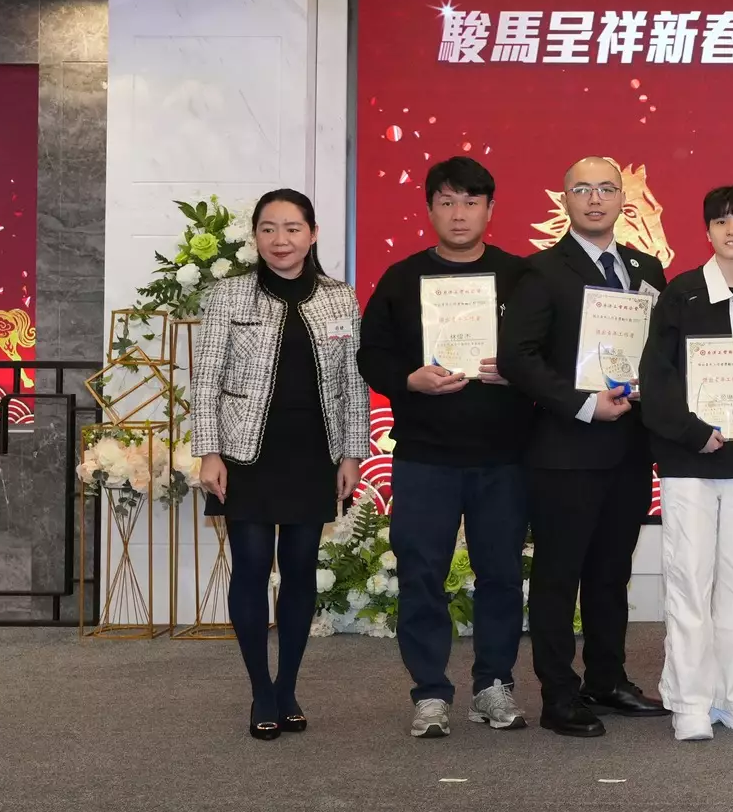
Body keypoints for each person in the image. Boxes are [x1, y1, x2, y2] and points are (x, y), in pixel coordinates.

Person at [357, 157, 535, 738]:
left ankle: (492, 684)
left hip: (503, 457)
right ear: (430, 209)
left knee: (501, 575)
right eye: (447, 202)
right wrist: (409, 379)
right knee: (421, 575)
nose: (459, 214)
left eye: (471, 202)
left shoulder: (520, 277)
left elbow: (547, 352)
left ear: (490, 209)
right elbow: (371, 354)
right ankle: (430, 691)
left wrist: (517, 371)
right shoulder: (402, 278)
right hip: (425, 457)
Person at [497, 157, 670, 738]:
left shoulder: (647, 268)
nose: (595, 199)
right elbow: (519, 357)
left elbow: (657, 352)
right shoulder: (541, 270)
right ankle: (558, 693)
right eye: (582, 189)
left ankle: (606, 679)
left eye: (606, 188)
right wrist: (582, 403)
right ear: (565, 200)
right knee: (558, 574)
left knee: (611, 573)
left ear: (623, 198)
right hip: (565, 450)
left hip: (629, 447)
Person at [191, 189, 367, 740]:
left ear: (312, 234)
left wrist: (352, 452)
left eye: (292, 228)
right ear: (256, 236)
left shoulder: (340, 298)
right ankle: (259, 690)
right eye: (268, 229)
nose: (280, 240)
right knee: (249, 566)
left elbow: (354, 383)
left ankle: (287, 686)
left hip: (313, 452)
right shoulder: (229, 294)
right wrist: (209, 451)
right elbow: (205, 379)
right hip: (246, 452)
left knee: (299, 568)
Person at [639, 185, 733, 742]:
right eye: (722, 221)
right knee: (689, 580)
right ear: (706, 230)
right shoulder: (680, 294)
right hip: (689, 464)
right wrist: (694, 433)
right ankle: (690, 700)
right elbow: (657, 378)